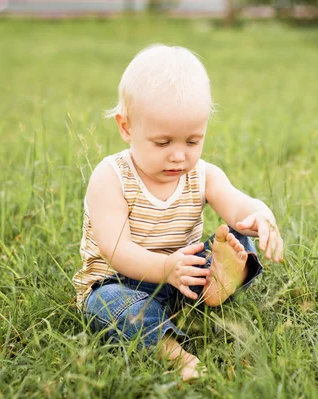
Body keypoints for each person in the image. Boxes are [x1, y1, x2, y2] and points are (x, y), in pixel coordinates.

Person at [72, 44, 283, 381]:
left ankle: (214, 284)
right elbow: (116, 249)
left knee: (237, 231)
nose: (179, 156)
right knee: (107, 303)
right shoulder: (110, 177)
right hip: (120, 281)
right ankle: (171, 350)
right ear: (125, 127)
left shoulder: (203, 175)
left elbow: (237, 204)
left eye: (192, 141)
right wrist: (164, 267)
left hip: (184, 273)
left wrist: (260, 215)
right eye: (163, 142)